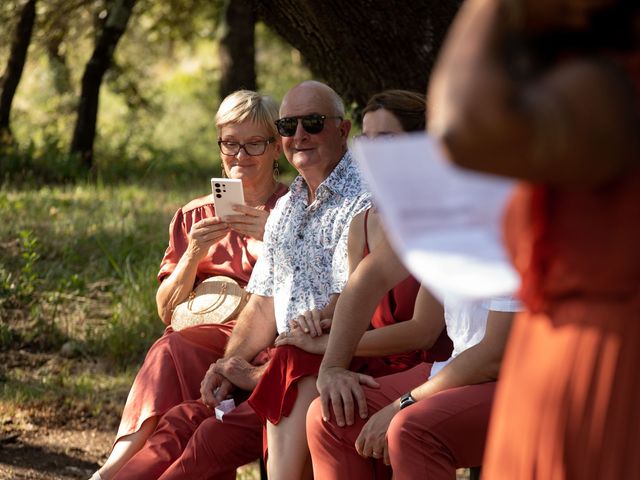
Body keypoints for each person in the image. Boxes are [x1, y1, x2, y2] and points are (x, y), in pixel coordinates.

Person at [111, 80, 372, 479]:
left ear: (343, 129)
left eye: (313, 123)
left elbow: (346, 299)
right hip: (260, 350)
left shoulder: (358, 201)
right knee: (184, 413)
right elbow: (262, 301)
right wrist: (228, 361)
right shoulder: (290, 204)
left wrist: (256, 366)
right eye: (290, 126)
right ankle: (111, 473)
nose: (299, 135)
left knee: (205, 424)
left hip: (302, 358)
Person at [426, 0, 640, 478]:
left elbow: (463, 128)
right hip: (549, 352)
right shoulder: (587, 78)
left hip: (600, 358)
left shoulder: (608, 86)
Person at [246, 89, 452, 480]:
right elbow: (357, 300)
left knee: (326, 404)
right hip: (379, 355)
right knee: (294, 356)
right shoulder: (364, 223)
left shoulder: (439, 216)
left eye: (387, 142)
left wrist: (329, 349)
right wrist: (318, 326)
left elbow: (423, 333)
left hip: (429, 362)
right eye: (367, 141)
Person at [93, 90, 288, 480]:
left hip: (267, 332)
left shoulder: (294, 208)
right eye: (230, 143)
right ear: (219, 147)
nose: (241, 156)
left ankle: (118, 471)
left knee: (174, 350)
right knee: (172, 346)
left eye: (253, 144)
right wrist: (194, 252)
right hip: (202, 332)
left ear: (276, 149)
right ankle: (118, 467)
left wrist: (276, 237)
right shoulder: (195, 215)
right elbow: (166, 310)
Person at [308, 292, 519, 479]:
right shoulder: (443, 246)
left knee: (410, 428)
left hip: (517, 382)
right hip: (455, 367)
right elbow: (373, 274)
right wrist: (332, 364)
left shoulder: (509, 249)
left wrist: (403, 403)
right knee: (331, 415)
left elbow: (495, 356)